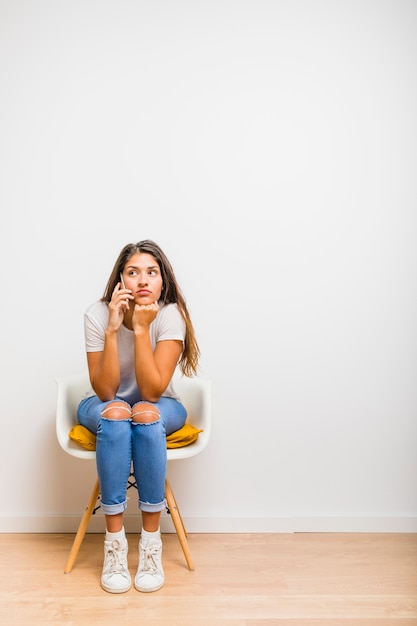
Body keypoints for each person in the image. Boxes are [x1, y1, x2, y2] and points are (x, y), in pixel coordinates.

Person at [77, 240, 200, 594]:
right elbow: (104, 391)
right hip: (104, 405)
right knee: (117, 411)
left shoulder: (171, 315)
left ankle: (151, 545)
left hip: (160, 406)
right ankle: (114, 547)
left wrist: (143, 328)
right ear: (120, 281)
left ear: (163, 282)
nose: (142, 281)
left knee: (144, 412)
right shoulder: (97, 314)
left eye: (152, 272)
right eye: (133, 272)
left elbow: (152, 391)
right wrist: (115, 328)